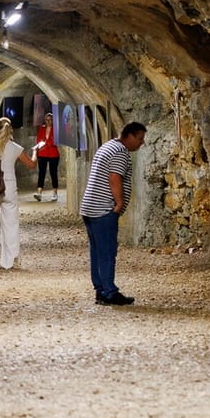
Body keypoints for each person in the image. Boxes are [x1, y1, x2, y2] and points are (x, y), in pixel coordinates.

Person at [79, 122, 146, 305]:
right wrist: (119, 203)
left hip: (90, 207)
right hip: (103, 209)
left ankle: (100, 289)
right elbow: (115, 177)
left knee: (96, 251)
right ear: (130, 136)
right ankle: (109, 292)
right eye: (140, 138)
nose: (142, 143)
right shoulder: (120, 152)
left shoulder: (107, 146)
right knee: (107, 251)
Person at [0, 116, 37, 269]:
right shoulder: (15, 148)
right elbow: (32, 165)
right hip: (9, 189)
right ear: (11, 129)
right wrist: (35, 152)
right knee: (11, 224)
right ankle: (8, 261)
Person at [34, 111, 60, 202]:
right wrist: (45, 143)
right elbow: (38, 140)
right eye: (47, 120)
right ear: (45, 120)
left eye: (50, 120)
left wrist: (47, 143)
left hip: (53, 154)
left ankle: (55, 193)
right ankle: (39, 193)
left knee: (53, 173)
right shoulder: (41, 128)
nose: (48, 121)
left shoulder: (56, 129)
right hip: (43, 153)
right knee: (41, 173)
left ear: (53, 120)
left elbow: (56, 141)